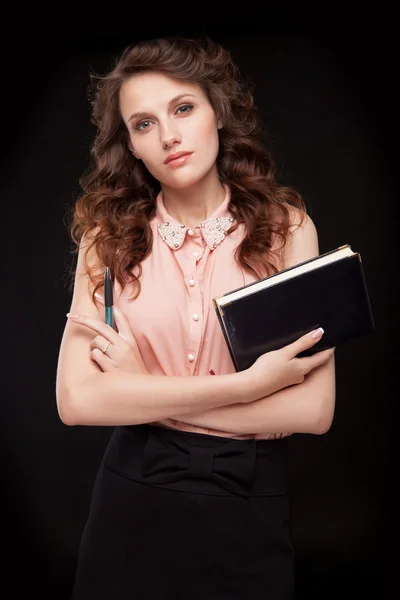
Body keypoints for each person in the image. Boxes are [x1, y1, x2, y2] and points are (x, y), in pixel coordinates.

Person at [56, 34, 336, 600]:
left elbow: (313, 410)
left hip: (248, 503)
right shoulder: (105, 240)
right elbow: (77, 402)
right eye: (143, 124)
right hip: (132, 502)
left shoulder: (288, 229)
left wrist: (142, 392)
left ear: (217, 113)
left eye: (183, 108)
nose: (168, 136)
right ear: (131, 146)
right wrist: (249, 388)